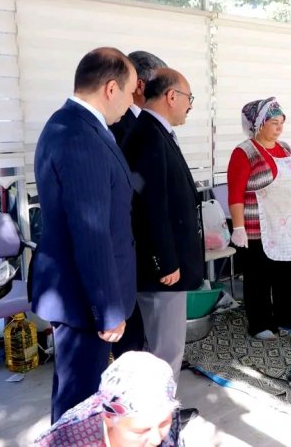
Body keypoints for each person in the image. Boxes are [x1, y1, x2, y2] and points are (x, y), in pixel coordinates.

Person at [32, 47, 138, 422]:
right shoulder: (77, 134)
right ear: (111, 88)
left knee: (79, 393)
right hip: (83, 298)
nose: (130, 103)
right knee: (78, 400)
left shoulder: (79, 126)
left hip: (82, 293)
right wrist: (107, 310)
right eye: (129, 93)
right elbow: (90, 231)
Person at [121, 68, 203, 425]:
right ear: (172, 97)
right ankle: (159, 424)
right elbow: (148, 204)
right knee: (165, 350)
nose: (189, 108)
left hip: (163, 264)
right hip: (162, 271)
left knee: (159, 347)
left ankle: (153, 414)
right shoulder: (148, 136)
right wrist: (165, 260)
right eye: (189, 99)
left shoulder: (154, 132)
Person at [226, 97, 291, 340]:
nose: (280, 128)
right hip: (257, 227)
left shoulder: (286, 149)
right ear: (259, 125)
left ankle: (286, 314)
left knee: (287, 273)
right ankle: (259, 323)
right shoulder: (244, 152)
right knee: (259, 278)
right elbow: (235, 194)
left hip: (287, 225)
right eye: (274, 123)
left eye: (281, 122)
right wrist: (238, 227)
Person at [112, 51, 166, 360]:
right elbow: (133, 184)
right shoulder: (120, 126)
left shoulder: (148, 123)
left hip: (147, 238)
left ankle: (152, 362)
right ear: (141, 85)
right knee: (132, 321)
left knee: (152, 316)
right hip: (133, 234)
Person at [35, 352, 181, 447]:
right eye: (140, 430)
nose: (156, 440)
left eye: (164, 423)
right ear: (109, 417)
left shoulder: (162, 415)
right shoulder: (66, 442)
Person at [110, 51, 167, 146]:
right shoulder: (116, 124)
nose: (166, 95)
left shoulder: (153, 122)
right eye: (161, 86)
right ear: (140, 86)